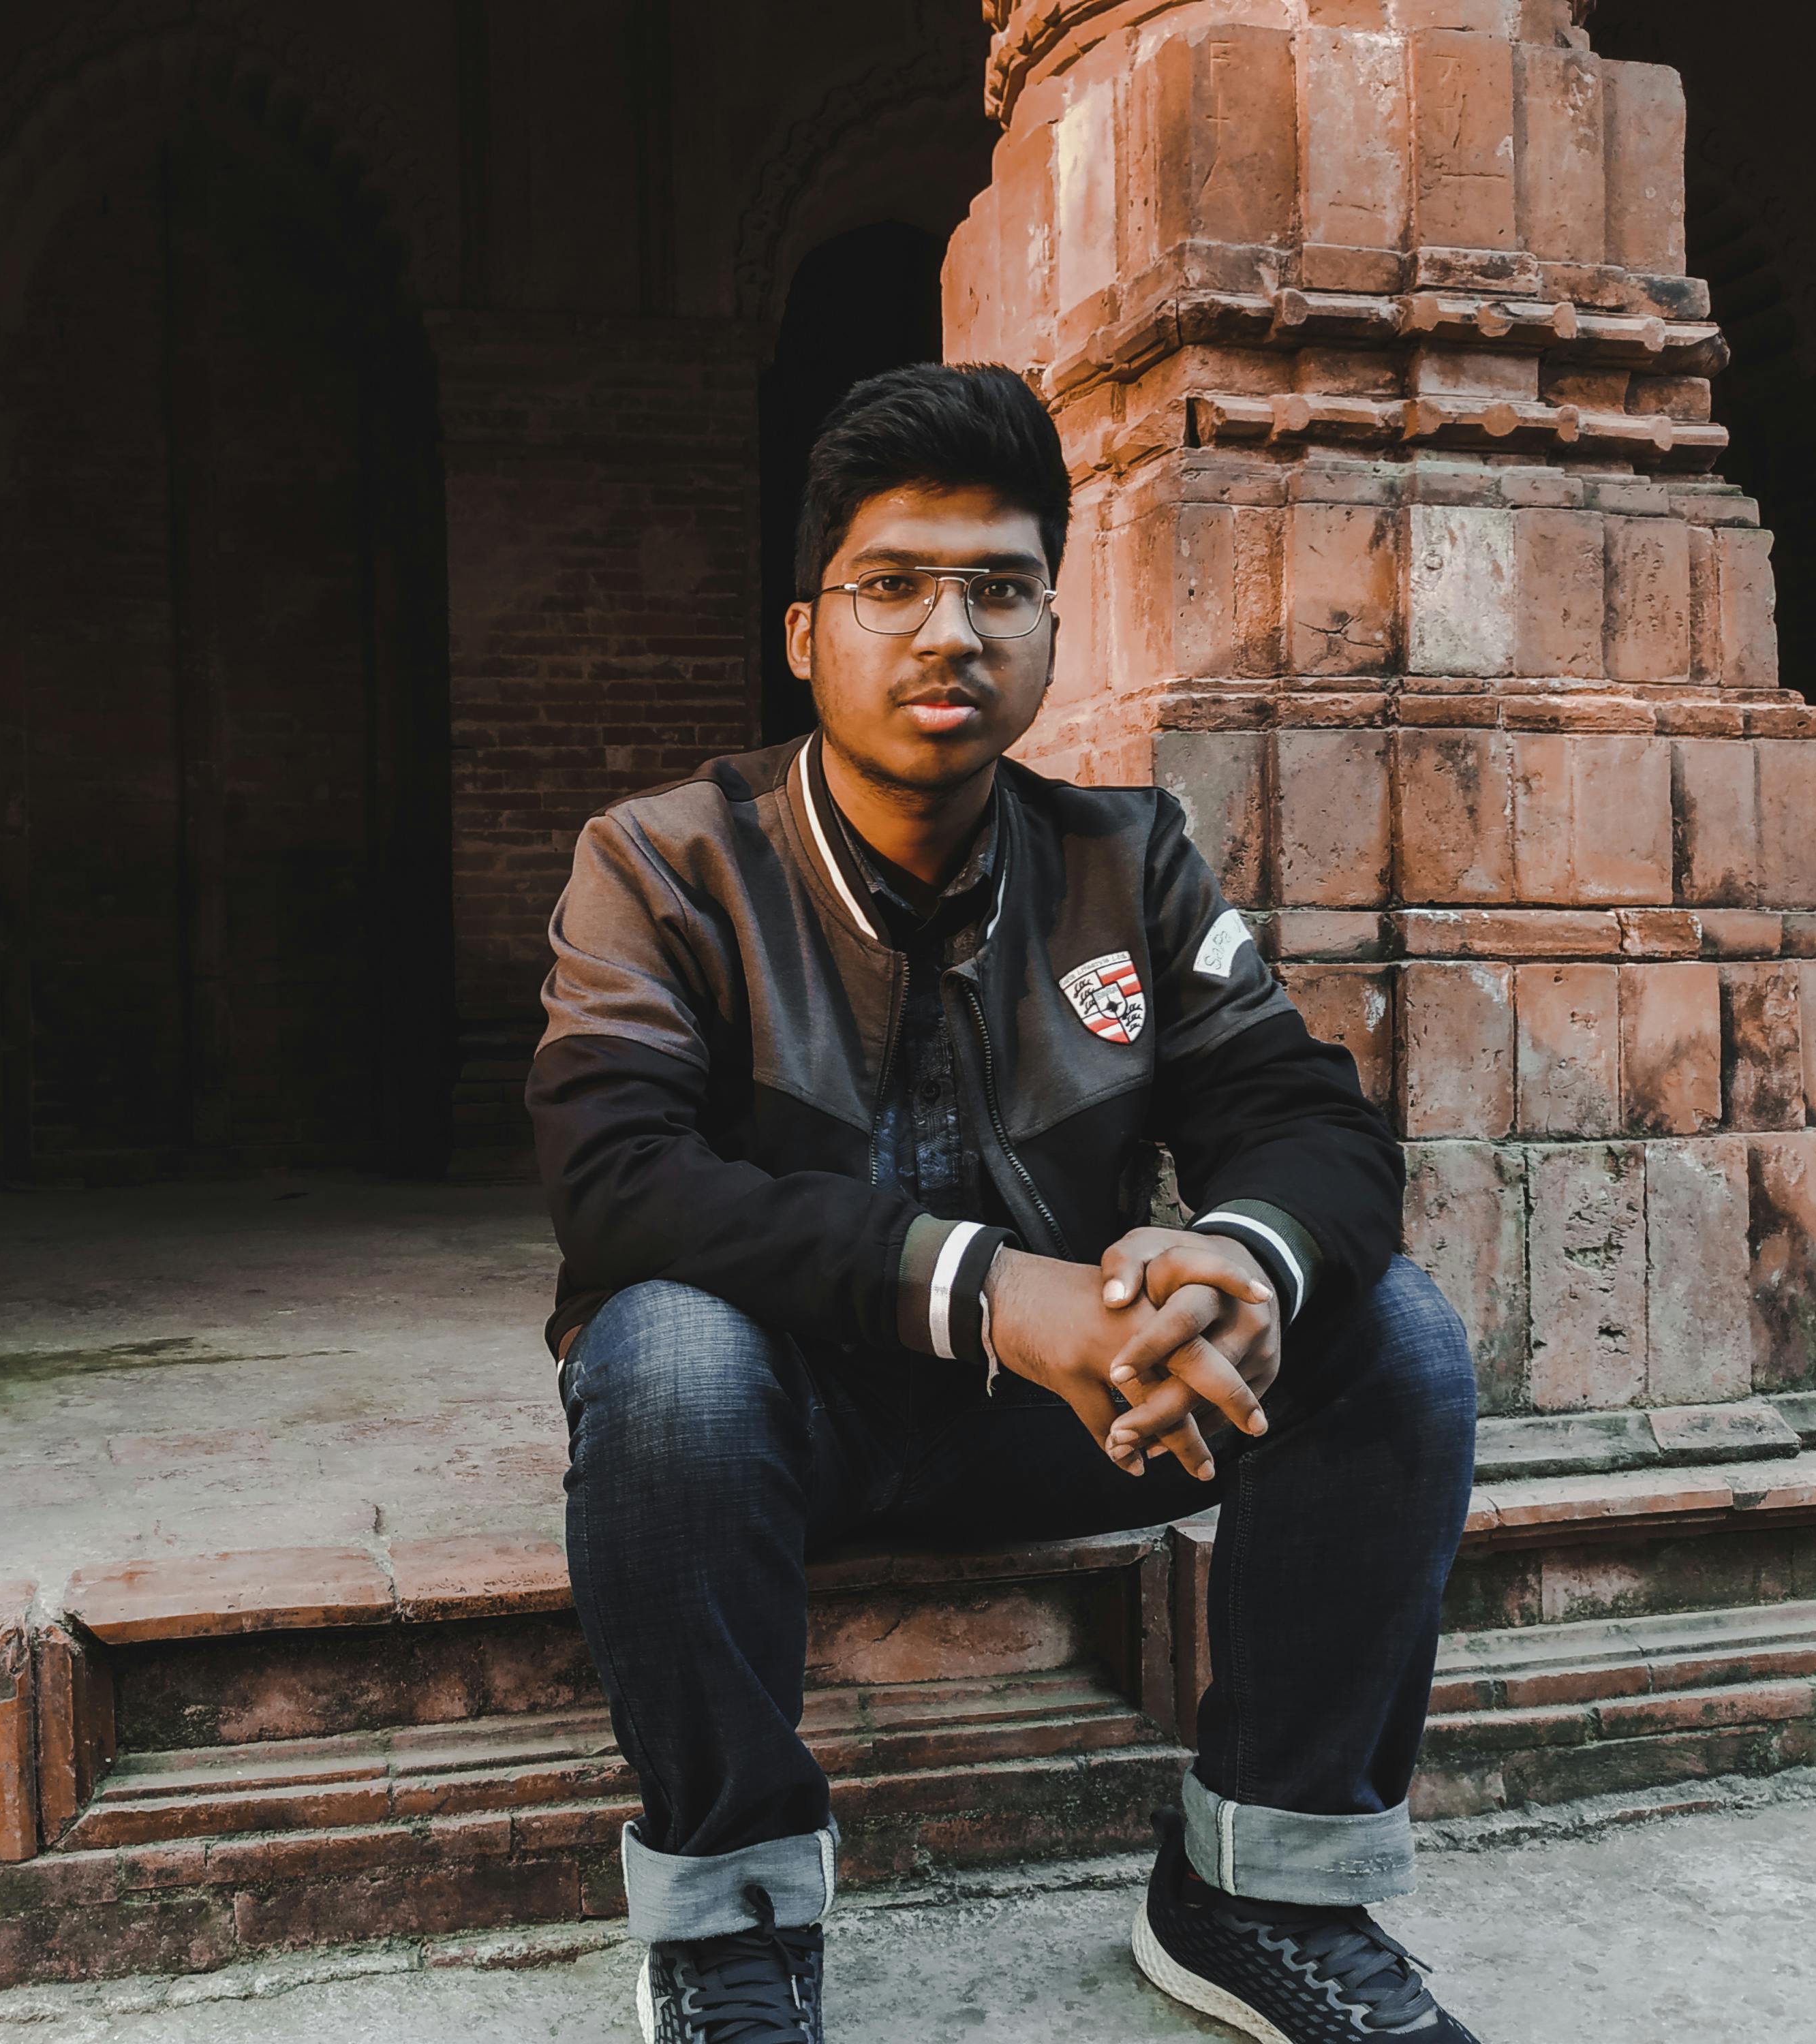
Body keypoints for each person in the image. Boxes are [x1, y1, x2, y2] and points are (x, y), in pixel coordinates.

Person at [527, 362, 1483, 2044]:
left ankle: (1260, 1894)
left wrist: (1231, 1260)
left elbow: (1305, 1124)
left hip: (1076, 1414)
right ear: (803, 630)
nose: (946, 633)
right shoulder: (665, 863)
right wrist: (986, 1289)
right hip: (781, 1423)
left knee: (1384, 1324)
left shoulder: (1128, 860)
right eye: (891, 586)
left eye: (998, 588)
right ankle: (731, 1934)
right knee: (663, 1351)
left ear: (1053, 625)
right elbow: (616, 1184)